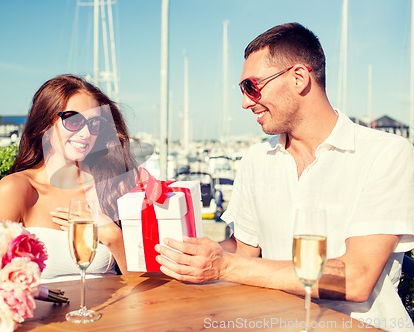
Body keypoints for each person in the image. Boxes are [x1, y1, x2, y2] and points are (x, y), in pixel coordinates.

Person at [155, 22, 414, 330]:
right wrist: (179, 251)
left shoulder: (386, 153)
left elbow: (355, 278)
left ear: (299, 77)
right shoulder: (255, 160)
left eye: (251, 86)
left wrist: (225, 266)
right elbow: (242, 250)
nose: (245, 102)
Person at [0, 74, 137, 281]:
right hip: (44, 313)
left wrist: (112, 236)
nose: (86, 133)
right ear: (45, 124)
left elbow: (141, 285)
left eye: (95, 123)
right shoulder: (16, 189)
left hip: (108, 313)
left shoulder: (113, 185)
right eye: (74, 120)